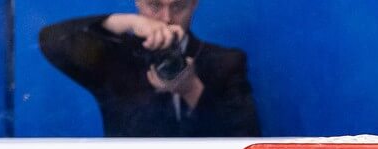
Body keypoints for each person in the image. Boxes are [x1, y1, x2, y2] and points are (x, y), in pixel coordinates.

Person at [39, 0, 260, 138]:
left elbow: (245, 138)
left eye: (178, 6)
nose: (167, 18)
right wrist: (127, 23)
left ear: (194, 4)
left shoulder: (225, 62)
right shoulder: (115, 59)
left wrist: (192, 89)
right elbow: (50, 40)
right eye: (154, 5)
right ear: (138, 2)